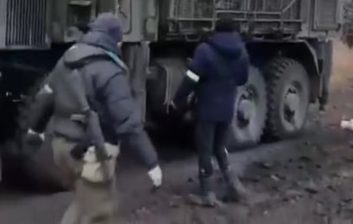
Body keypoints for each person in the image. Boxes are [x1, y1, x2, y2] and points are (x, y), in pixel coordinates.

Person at [24, 13, 162, 223]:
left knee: (83, 204)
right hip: (93, 154)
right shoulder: (110, 70)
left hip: (62, 149)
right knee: (98, 212)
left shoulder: (68, 58)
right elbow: (128, 122)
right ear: (116, 41)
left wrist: (36, 130)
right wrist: (151, 163)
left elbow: (46, 97)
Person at [171, 17, 250, 206]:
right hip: (227, 107)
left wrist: (177, 100)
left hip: (207, 108)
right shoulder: (242, 51)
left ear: (217, 30)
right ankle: (233, 184)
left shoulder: (205, 50)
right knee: (220, 147)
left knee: (205, 150)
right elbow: (242, 79)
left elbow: (191, 78)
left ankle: (207, 193)